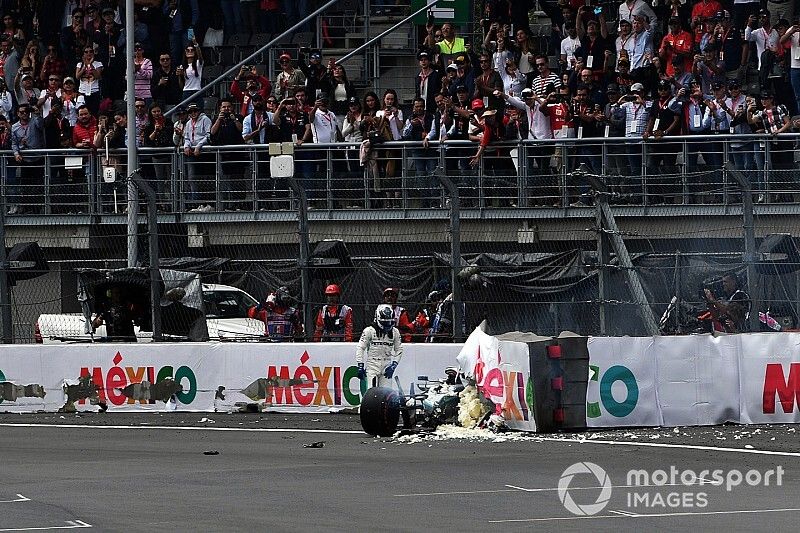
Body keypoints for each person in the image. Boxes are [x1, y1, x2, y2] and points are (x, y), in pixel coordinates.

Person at [355, 304, 403, 388]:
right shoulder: (369, 331)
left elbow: (399, 349)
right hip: (372, 365)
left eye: (390, 322)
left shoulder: (395, 332)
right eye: (385, 322)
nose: (388, 324)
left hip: (387, 365)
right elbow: (360, 347)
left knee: (386, 394)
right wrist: (360, 365)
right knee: (372, 393)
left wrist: (393, 365)